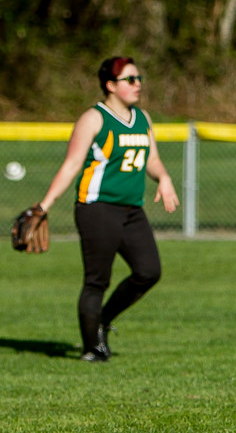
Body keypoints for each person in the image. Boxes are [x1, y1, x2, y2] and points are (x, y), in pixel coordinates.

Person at [38, 56, 180, 362]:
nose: (138, 84)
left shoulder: (142, 118)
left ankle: (102, 320)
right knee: (97, 280)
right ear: (110, 85)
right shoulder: (94, 119)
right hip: (97, 207)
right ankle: (92, 348)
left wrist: (164, 177)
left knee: (149, 271)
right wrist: (44, 206)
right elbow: (72, 165)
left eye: (139, 78)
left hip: (132, 209)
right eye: (130, 79)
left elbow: (152, 159)